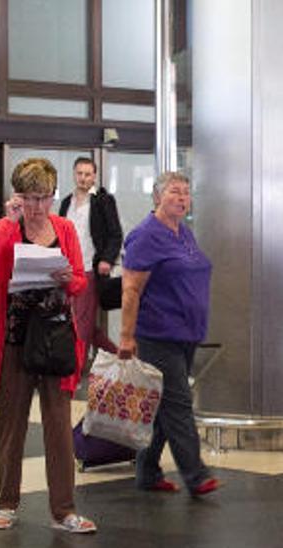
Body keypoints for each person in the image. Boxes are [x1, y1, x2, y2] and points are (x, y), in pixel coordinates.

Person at [0, 158, 97, 534]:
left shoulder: (65, 228)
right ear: (16, 196)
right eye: (29, 198)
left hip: (54, 340)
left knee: (58, 426)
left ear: (53, 196)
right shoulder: (7, 227)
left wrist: (69, 278)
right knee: (11, 426)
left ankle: (64, 510)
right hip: (14, 340)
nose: (37, 206)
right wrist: (7, 224)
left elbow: (80, 283)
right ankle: (7, 503)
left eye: (44, 198)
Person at [118, 171, 220, 496]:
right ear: (158, 197)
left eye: (186, 193)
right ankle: (196, 473)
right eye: (175, 191)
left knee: (162, 406)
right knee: (178, 402)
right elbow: (130, 290)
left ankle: (147, 472)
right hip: (157, 333)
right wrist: (126, 336)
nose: (182, 197)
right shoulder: (145, 235)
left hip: (186, 333)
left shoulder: (184, 233)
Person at [58, 157, 122, 357]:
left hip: (89, 270)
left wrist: (107, 260)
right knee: (79, 323)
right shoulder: (67, 202)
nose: (83, 178)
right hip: (67, 271)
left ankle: (74, 373)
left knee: (81, 325)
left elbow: (115, 234)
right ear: (74, 174)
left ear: (94, 176)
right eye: (79, 174)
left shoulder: (103, 200)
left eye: (88, 174)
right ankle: (122, 358)